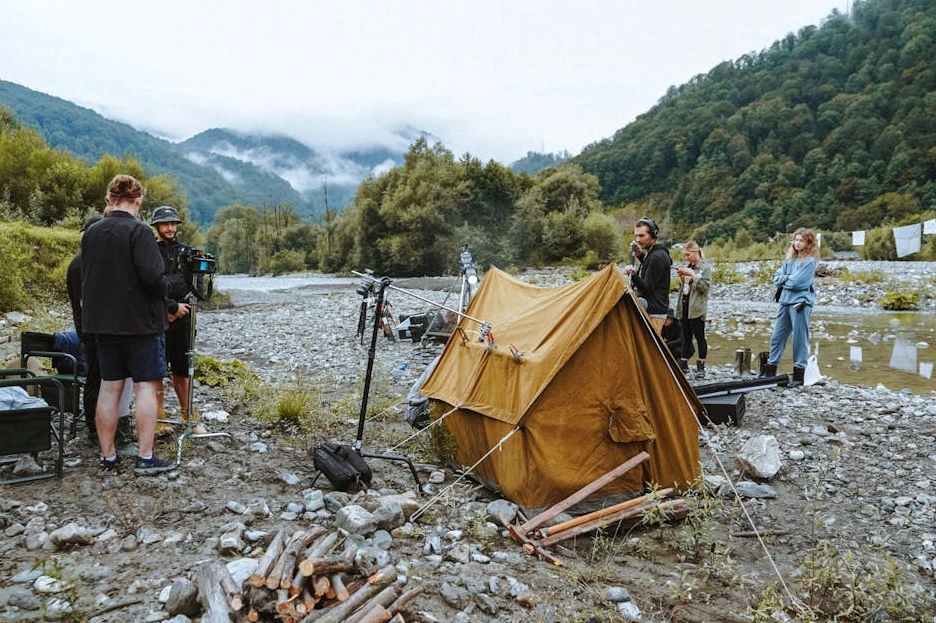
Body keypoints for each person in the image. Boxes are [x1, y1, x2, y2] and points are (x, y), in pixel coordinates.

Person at [81, 174, 176, 475]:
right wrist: (167, 292)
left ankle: (108, 457)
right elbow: (152, 279)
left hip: (102, 325)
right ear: (139, 201)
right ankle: (145, 457)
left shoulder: (91, 233)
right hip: (140, 324)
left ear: (109, 200)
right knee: (145, 385)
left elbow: (89, 277)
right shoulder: (140, 233)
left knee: (110, 387)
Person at [149, 205, 207, 434]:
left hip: (184, 317)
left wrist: (180, 305)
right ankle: (158, 419)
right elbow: (147, 285)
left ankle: (189, 415)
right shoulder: (149, 252)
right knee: (155, 370)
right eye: (165, 223)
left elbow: (198, 287)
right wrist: (167, 307)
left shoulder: (189, 253)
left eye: (173, 223)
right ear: (157, 226)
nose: (170, 227)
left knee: (182, 369)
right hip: (155, 316)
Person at [763, 228, 819, 388]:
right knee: (777, 337)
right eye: (796, 240)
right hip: (785, 302)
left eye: (801, 240)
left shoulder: (809, 261)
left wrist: (785, 280)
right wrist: (787, 278)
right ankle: (770, 372)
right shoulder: (789, 260)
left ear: (808, 243)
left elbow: (799, 283)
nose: (797, 243)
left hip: (800, 304)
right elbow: (776, 278)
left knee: (799, 339)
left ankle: (799, 375)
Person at [622, 216, 671, 336]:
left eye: (642, 235)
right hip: (654, 310)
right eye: (636, 236)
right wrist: (641, 257)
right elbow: (652, 272)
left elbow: (648, 288)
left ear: (653, 235)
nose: (638, 239)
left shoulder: (656, 257)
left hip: (653, 314)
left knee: (649, 352)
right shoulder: (655, 254)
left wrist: (633, 275)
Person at [674, 241, 712, 378]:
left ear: (695, 252)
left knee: (700, 337)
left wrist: (693, 277)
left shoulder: (705, 268)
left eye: (688, 255)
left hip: (696, 308)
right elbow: (683, 286)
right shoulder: (689, 266)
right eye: (685, 255)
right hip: (685, 305)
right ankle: (683, 362)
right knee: (686, 336)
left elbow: (705, 288)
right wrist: (682, 277)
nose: (686, 258)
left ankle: (701, 364)